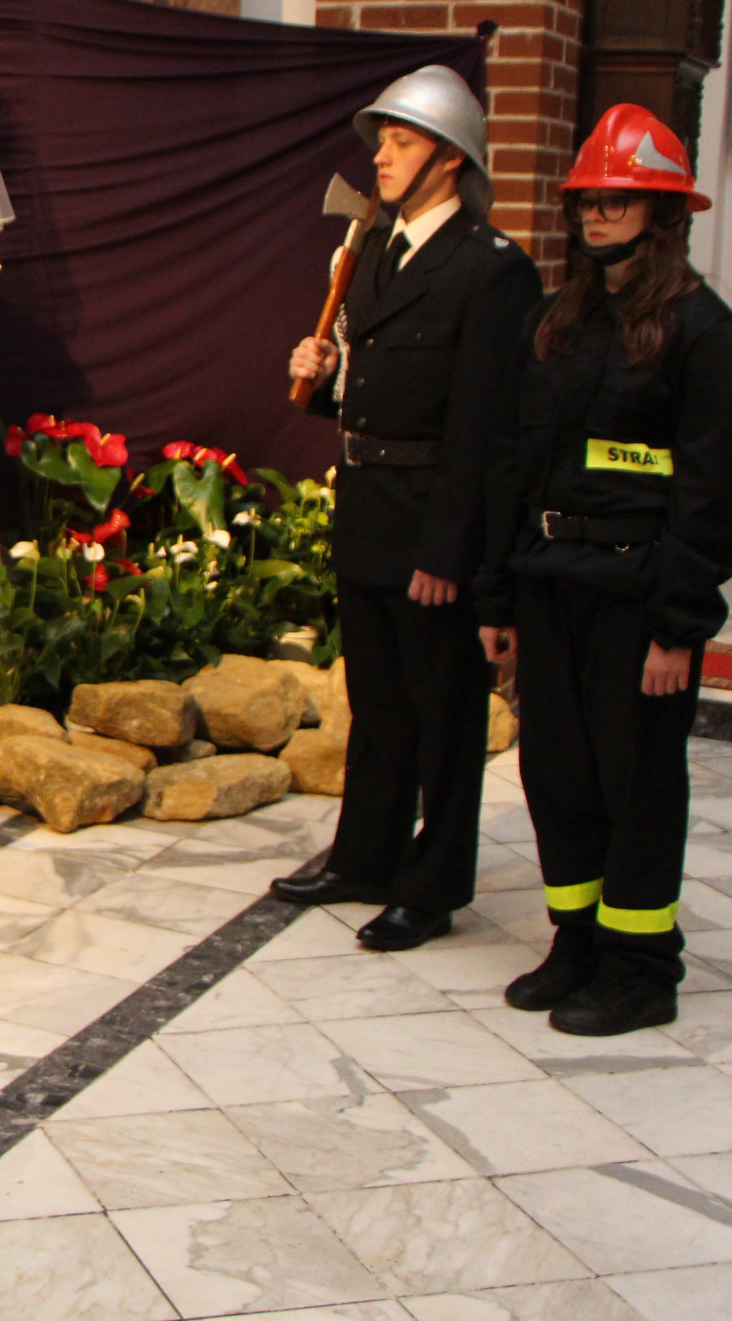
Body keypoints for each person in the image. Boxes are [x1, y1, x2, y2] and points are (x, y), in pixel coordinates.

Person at [476, 105, 732, 1037]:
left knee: (637, 780)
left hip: (639, 597)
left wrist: (680, 625)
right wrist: (499, 594)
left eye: (618, 199)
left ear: (663, 211)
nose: (596, 214)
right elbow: (515, 463)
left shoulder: (704, 332)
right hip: (550, 579)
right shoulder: (556, 323)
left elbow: (708, 490)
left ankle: (641, 965)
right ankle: (579, 940)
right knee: (556, 772)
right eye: (587, 200)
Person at [272, 65, 541, 950]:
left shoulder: (493, 271)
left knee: (444, 718)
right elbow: (376, 394)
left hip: (433, 523)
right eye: (381, 143)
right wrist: (323, 381)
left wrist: (449, 551)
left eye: (400, 142)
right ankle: (366, 856)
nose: (381, 158)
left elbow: (484, 430)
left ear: (450, 158)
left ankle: (432, 886)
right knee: (379, 704)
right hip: (370, 510)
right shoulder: (373, 252)